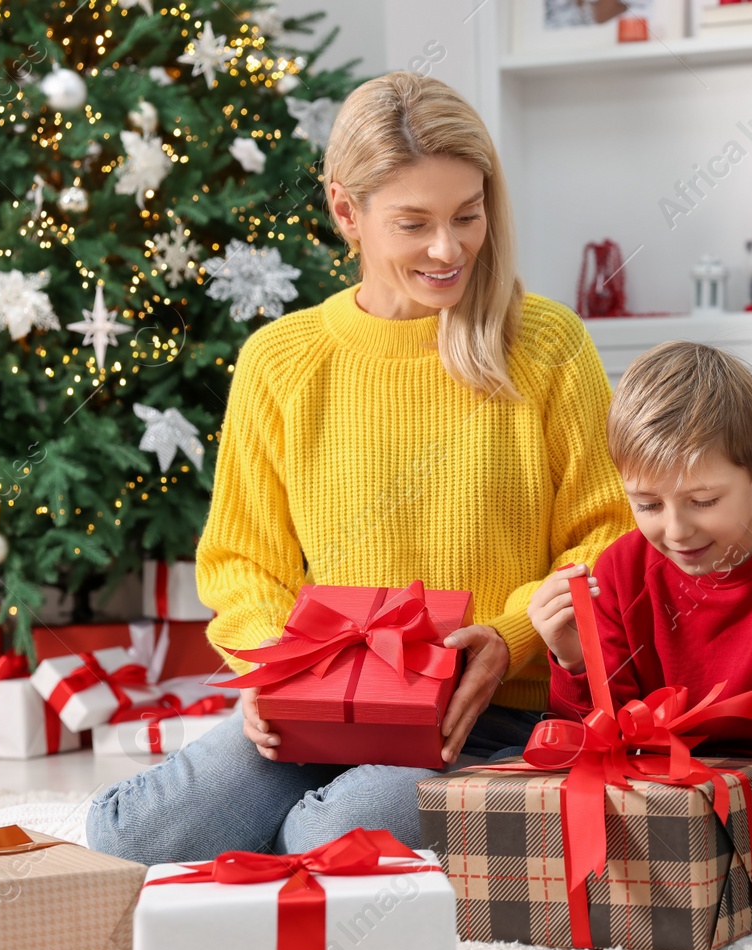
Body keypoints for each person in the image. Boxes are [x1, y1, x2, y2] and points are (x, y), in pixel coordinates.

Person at [87, 72, 633, 864]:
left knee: (326, 835)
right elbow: (242, 562)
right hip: (321, 706)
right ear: (347, 211)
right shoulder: (281, 361)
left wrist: (509, 639)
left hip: (488, 709)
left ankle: (352, 823)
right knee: (125, 837)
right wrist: (279, 675)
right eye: (414, 223)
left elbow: (606, 535)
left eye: (467, 216)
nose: (449, 249)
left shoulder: (546, 344)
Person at [528, 342, 752, 916]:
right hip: (666, 781)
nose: (676, 530)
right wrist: (573, 659)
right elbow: (597, 737)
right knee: (590, 802)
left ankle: (731, 871)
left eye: (704, 500)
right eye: (646, 504)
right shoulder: (619, 570)